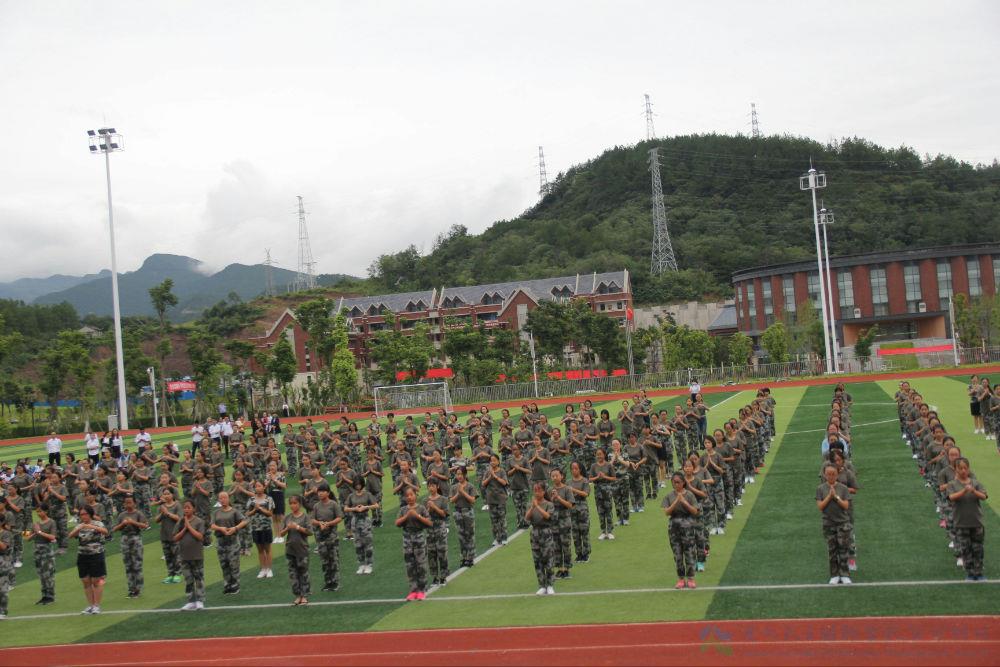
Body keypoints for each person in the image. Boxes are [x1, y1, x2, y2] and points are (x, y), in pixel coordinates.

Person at [948, 458, 988, 581]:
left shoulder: (975, 483)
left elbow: (984, 496)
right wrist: (964, 490)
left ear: (968, 469)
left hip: (976, 522)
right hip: (961, 522)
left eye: (965, 468)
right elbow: (951, 497)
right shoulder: (952, 484)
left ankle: (979, 572)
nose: (963, 471)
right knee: (966, 549)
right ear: (956, 469)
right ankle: (970, 573)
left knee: (978, 549)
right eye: (960, 468)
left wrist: (974, 491)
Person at [662, 473, 699, 589]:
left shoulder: (690, 495)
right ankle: (681, 579)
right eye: (674, 482)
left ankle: (691, 578)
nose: (676, 484)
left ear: (683, 483)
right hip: (674, 527)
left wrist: (684, 502)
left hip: (688, 526)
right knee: (677, 554)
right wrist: (676, 501)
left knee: (689, 553)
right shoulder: (669, 496)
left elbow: (695, 511)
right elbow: (667, 512)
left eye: (678, 482)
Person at [816, 464, 852, 585]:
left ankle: (845, 574)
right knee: (832, 550)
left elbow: (846, 506)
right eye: (828, 474)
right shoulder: (820, 489)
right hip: (828, 523)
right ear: (825, 475)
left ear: (837, 475)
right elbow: (820, 506)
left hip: (843, 523)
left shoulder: (843, 488)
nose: (831, 476)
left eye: (833, 474)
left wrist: (835, 497)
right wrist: (829, 496)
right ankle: (834, 575)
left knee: (844, 549)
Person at [68, 506, 108, 614]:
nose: (83, 516)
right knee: (85, 581)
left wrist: (91, 526)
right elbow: (70, 536)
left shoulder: (98, 523)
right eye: (81, 514)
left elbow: (105, 532)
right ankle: (91, 605)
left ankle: (97, 605)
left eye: (85, 514)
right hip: (82, 555)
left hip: (96, 554)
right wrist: (79, 528)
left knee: (96, 581)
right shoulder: (79, 525)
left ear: (90, 514)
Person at [396, 486, 433, 601]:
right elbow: (397, 523)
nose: (409, 497)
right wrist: (407, 516)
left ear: (415, 495)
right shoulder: (403, 510)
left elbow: (429, 523)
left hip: (419, 537)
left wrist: (417, 516)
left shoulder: (421, 508)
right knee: (410, 565)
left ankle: (422, 589)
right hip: (407, 538)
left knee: (420, 564)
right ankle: (413, 590)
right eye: (407, 495)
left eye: (411, 495)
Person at [112, 494, 148, 598]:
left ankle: (138, 589)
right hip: (125, 540)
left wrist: (133, 522)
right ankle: (131, 589)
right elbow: (114, 529)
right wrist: (122, 524)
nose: (128, 504)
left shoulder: (138, 513)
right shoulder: (121, 515)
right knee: (128, 566)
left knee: (137, 565)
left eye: (130, 502)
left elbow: (145, 525)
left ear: (134, 503)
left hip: (136, 539)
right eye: (126, 502)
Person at [210, 491, 246, 595]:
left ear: (228, 499)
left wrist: (235, 528)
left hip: (232, 541)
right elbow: (211, 525)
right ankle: (227, 585)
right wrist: (220, 528)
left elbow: (244, 521)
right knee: (224, 564)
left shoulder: (234, 511)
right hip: (221, 542)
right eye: (221, 498)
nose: (223, 500)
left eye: (225, 498)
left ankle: (235, 585)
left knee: (233, 564)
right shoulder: (216, 512)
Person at [173, 500, 207, 610]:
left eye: (188, 507)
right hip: (184, 555)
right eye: (185, 507)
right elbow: (175, 538)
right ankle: (191, 601)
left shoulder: (199, 521)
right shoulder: (180, 522)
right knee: (188, 579)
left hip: (196, 555)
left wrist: (189, 527)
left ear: (194, 509)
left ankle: (200, 600)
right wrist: (184, 528)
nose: (186, 509)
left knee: (199, 578)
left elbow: (200, 537)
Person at [280, 495, 313, 606]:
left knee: (303, 572)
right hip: (290, 549)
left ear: (299, 504)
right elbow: (281, 534)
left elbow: (310, 532)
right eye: (291, 503)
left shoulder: (305, 517)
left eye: (295, 503)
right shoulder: (287, 517)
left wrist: (298, 527)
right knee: (293, 574)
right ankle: (298, 595)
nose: (292, 505)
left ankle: (305, 595)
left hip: (302, 549)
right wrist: (287, 528)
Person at [310, 485, 344, 592]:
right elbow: (312, 520)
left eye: (323, 491)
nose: (320, 493)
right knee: (324, 559)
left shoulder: (333, 504)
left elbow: (339, 517)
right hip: (320, 536)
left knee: (333, 559)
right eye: (319, 491)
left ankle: (335, 582)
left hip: (331, 535)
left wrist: (329, 523)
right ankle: (328, 582)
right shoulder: (316, 506)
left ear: (328, 493)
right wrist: (320, 523)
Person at [526, 482, 556, 595]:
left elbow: (548, 516)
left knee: (548, 559)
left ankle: (550, 584)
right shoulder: (531, 504)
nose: (537, 493)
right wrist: (532, 507)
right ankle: (542, 585)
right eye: (535, 490)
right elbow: (527, 518)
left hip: (546, 532)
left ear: (544, 492)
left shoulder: (549, 504)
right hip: (535, 533)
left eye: (539, 490)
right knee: (537, 560)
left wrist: (537, 506)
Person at [346, 477, 379, 575]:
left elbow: (376, 505)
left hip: (365, 520)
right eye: (356, 484)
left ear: (362, 484)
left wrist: (366, 507)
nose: (358, 486)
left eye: (359, 484)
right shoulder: (351, 496)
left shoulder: (367, 494)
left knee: (367, 543)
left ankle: (369, 565)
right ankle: (361, 564)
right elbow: (345, 508)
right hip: (355, 520)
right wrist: (354, 509)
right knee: (358, 544)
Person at [28, 502, 57, 605]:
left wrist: (40, 532)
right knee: (41, 574)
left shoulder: (51, 522)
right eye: (37, 512)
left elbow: (53, 537)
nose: (38, 513)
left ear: (46, 511)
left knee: (48, 574)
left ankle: (50, 596)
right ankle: (44, 595)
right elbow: (27, 538)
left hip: (47, 551)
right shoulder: (35, 524)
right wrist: (35, 533)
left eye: (40, 511)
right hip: (37, 551)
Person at [548, 468, 574, 579]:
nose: (555, 478)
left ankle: (567, 569)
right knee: (556, 546)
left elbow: (570, 505)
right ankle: (559, 568)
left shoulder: (567, 489)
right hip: (554, 522)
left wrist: (558, 498)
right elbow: (547, 505)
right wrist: (552, 498)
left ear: (561, 476)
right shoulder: (550, 490)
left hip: (565, 521)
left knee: (566, 545)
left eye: (556, 475)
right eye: (552, 476)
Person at [449, 466, 478, 568]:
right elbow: (452, 500)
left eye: (461, 474)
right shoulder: (454, 487)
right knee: (461, 536)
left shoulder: (470, 486)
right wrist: (458, 493)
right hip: (458, 512)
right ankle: (463, 558)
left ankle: (470, 557)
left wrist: (463, 492)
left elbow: (473, 500)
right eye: (457, 474)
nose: (459, 476)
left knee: (469, 535)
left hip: (468, 512)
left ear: (465, 475)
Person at [247, 481, 276, 579]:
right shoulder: (251, 499)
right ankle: (263, 569)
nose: (257, 488)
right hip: (255, 527)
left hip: (266, 527)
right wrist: (254, 509)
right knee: (260, 549)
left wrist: (260, 508)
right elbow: (248, 513)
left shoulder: (269, 499)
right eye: (256, 486)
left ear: (264, 487)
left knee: (267, 549)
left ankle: (269, 569)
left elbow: (270, 513)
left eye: (259, 486)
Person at [154, 488, 182, 584]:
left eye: (168, 494)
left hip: (175, 535)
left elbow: (179, 518)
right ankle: (170, 574)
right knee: (168, 556)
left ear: (172, 495)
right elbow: (156, 520)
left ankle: (177, 574)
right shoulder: (161, 507)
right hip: (164, 535)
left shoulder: (177, 505)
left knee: (176, 556)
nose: (166, 496)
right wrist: (162, 513)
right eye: (164, 494)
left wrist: (168, 513)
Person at [425, 478, 450, 586]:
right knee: (431, 554)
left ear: (437, 486)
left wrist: (434, 507)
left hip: (440, 528)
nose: (431, 488)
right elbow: (424, 516)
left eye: (433, 486)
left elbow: (444, 514)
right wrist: (429, 509)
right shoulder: (425, 500)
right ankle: (434, 577)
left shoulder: (443, 499)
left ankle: (443, 576)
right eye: (429, 486)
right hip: (430, 530)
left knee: (442, 553)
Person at [589, 448, 617, 540]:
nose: (599, 456)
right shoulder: (593, 466)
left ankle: (610, 531)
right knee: (600, 511)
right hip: (598, 490)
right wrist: (597, 477)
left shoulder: (609, 465)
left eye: (600, 454)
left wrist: (605, 477)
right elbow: (590, 479)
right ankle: (603, 532)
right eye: (597, 454)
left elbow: (614, 478)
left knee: (608, 510)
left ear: (604, 455)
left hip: (607, 490)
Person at [482, 454, 509, 547]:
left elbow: (504, 482)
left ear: (498, 461)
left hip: (501, 499)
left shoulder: (502, 471)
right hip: (491, 499)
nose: (492, 462)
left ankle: (504, 538)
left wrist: (495, 477)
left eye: (494, 460)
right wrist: (490, 477)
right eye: (491, 461)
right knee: (494, 520)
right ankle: (497, 538)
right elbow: (483, 483)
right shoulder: (487, 472)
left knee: (502, 519)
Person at [0, 514, 10, 619]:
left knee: (2, 589)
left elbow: (4, 547)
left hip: (2, 561)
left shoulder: (6, 533)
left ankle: (3, 610)